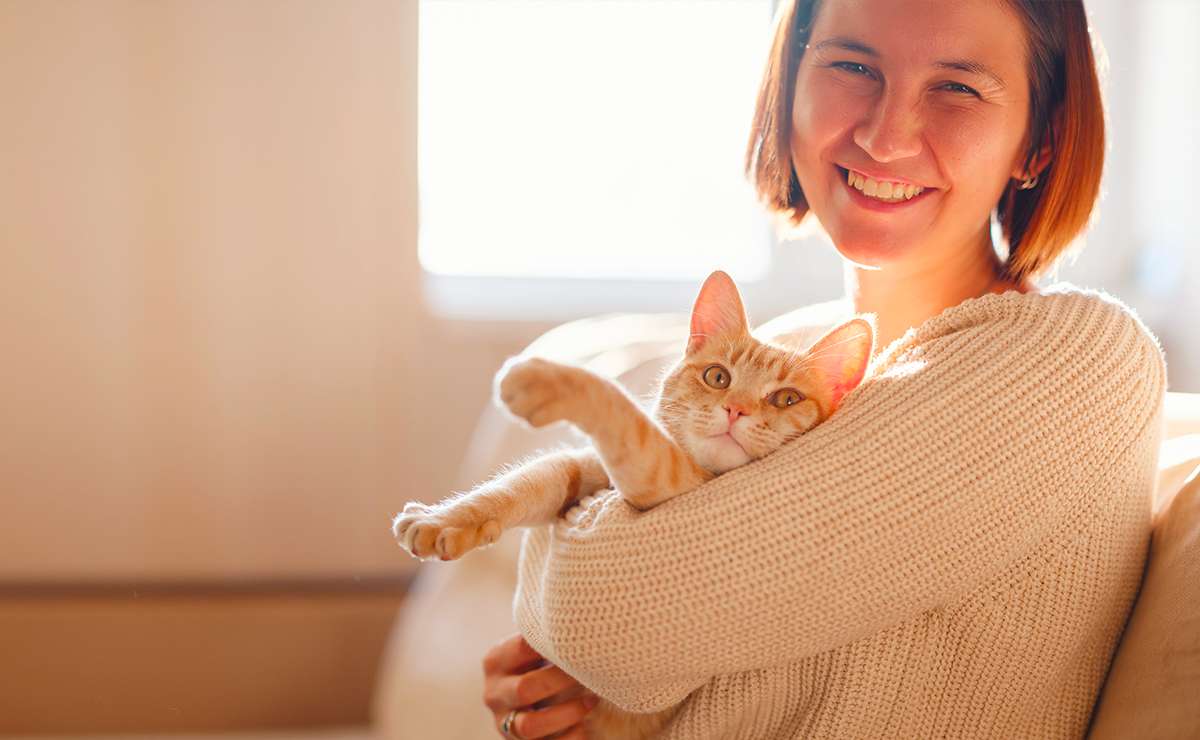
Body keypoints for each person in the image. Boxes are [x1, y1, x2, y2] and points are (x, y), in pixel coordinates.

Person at [482, 0, 1166, 737]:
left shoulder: (1076, 360)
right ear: (790, 85)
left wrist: (562, 582)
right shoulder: (780, 356)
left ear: (1039, 140)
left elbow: (606, 616)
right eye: (852, 66)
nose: (884, 134)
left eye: (958, 88)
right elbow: (608, 646)